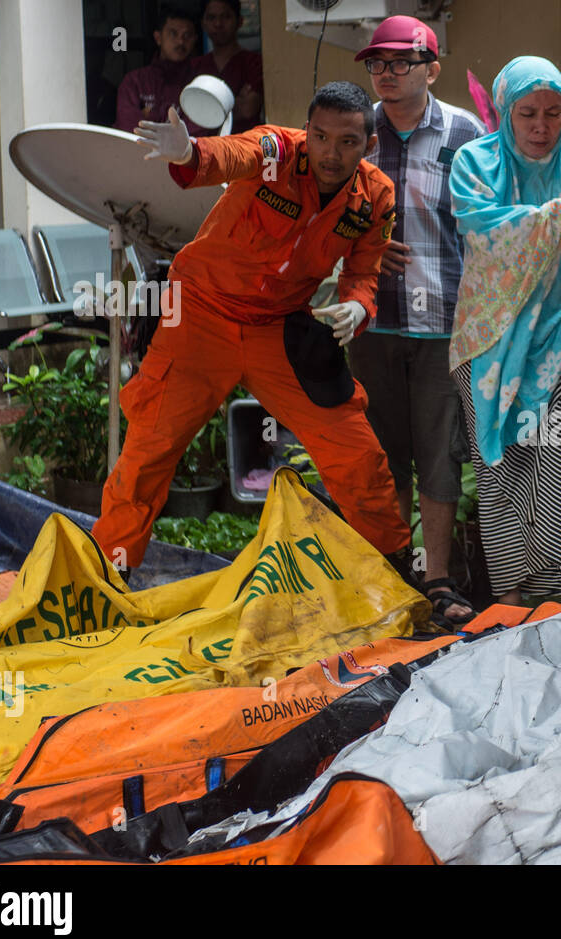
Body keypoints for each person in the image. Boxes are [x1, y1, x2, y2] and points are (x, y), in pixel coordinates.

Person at [92, 82, 415, 582]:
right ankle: (105, 580)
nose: (331, 152)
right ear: (306, 131)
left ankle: (396, 578)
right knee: (148, 452)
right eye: (321, 136)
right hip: (199, 315)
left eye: (348, 142)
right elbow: (231, 154)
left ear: (369, 145)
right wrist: (190, 153)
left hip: (278, 326)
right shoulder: (277, 151)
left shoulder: (375, 197)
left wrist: (356, 306)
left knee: (356, 452)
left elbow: (365, 271)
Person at [350, 17, 487, 623]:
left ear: (431, 68)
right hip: (370, 321)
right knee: (383, 454)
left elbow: (486, 225)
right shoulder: (355, 132)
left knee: (438, 455)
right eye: (377, 62)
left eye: (400, 62)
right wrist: (362, 246)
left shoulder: (464, 131)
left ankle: (437, 577)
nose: (385, 72)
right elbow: (321, 212)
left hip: (443, 325)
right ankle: (394, 570)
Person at [448, 56, 561, 607]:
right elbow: (485, 234)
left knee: (560, 467)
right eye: (527, 113)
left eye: (554, 113)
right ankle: (511, 597)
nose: (541, 126)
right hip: (490, 347)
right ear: (506, 111)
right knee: (503, 469)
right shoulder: (475, 161)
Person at [115, 7, 214, 137]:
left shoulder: (200, 85)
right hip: (135, 156)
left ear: (194, 40)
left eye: (187, 35)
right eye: (173, 33)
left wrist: (149, 118)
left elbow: (194, 137)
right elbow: (129, 130)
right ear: (158, 38)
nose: (180, 41)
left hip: (182, 158)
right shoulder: (135, 81)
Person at [190, 0, 264, 131]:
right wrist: (234, 103)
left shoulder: (254, 63)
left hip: (244, 145)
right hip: (206, 147)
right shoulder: (195, 66)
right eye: (212, 17)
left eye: (226, 17)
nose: (218, 24)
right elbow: (190, 114)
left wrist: (205, 109)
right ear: (203, 24)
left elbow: (248, 109)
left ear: (239, 21)